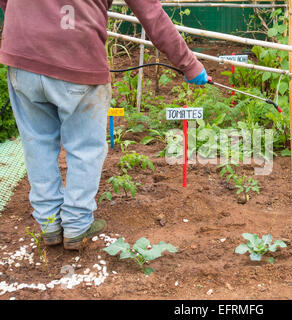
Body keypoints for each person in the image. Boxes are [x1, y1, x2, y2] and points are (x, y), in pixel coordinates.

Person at [0, 0, 209, 250]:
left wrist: (34, 22)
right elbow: (151, 14)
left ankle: (49, 224)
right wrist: (189, 64)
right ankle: (76, 226)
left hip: (23, 57)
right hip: (78, 58)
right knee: (85, 147)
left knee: (37, 143)